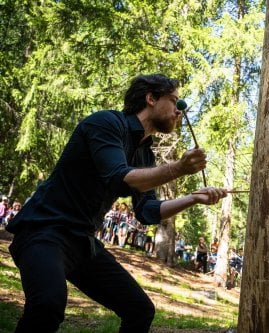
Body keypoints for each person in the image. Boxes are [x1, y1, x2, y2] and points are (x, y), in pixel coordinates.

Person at [6, 74, 227, 333]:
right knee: (47, 305)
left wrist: (193, 198)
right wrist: (178, 168)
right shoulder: (106, 123)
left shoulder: (145, 153)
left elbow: (147, 211)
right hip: (44, 231)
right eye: (174, 101)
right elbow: (118, 175)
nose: (179, 111)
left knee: (139, 310)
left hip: (82, 242)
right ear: (151, 98)